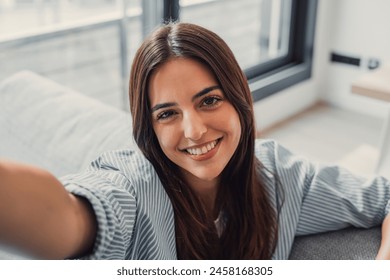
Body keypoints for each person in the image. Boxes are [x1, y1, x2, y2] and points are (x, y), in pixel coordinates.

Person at [1, 22, 390, 260]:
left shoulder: (284, 177)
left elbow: (383, 197)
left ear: (238, 99)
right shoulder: (132, 189)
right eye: (167, 114)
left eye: (209, 101)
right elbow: (67, 215)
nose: (195, 131)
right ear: (148, 128)